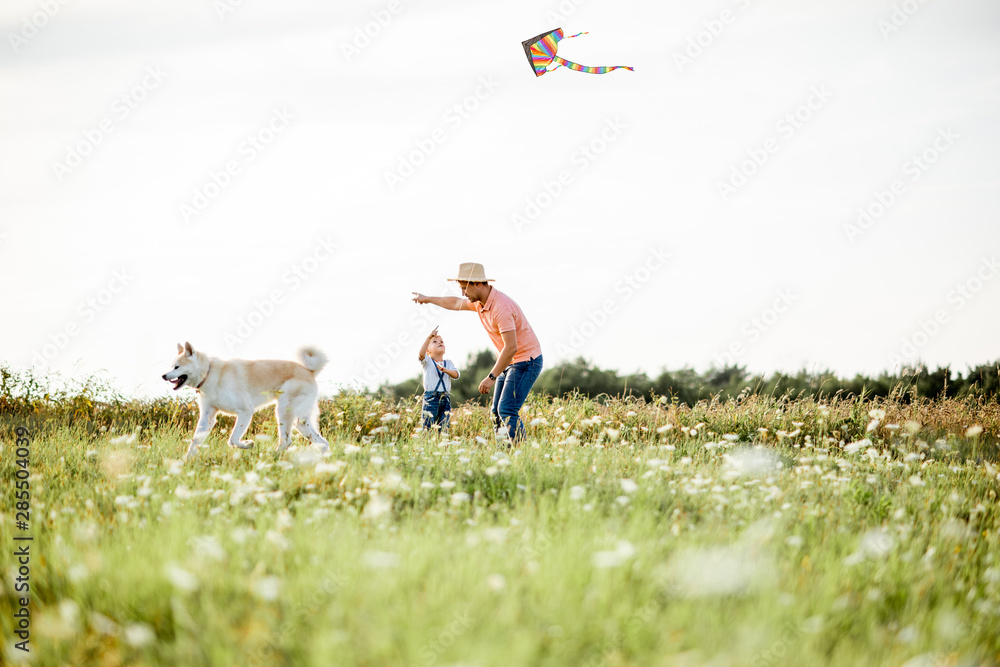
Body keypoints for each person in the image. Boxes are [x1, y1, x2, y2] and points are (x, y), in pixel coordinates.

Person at [412, 263, 543, 444]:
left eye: (465, 288)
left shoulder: (501, 308)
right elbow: (455, 303)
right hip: (509, 361)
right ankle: (503, 456)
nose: (463, 293)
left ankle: (522, 454)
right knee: (496, 412)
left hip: (526, 361)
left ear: (477, 284)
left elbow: (511, 347)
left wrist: (491, 376)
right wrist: (428, 299)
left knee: (506, 410)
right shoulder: (480, 304)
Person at [418, 327, 459, 433]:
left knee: (444, 428)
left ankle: (444, 447)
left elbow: (456, 374)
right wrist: (429, 337)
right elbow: (421, 354)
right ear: (428, 351)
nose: (439, 343)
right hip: (431, 398)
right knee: (427, 427)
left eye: (441, 342)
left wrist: (445, 370)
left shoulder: (448, 363)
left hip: (445, 398)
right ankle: (425, 447)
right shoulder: (427, 361)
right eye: (434, 342)